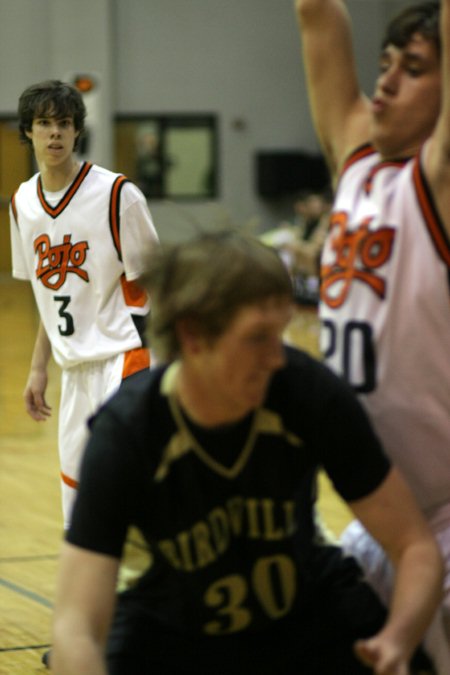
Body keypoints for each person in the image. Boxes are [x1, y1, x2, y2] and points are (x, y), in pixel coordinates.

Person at [50, 230, 443, 674]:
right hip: (174, 634)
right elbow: (74, 624)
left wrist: (398, 639)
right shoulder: (128, 432)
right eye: (258, 337)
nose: (277, 357)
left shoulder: (305, 390)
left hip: (308, 617)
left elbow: (414, 546)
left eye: (281, 333)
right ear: (193, 336)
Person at [295, 0, 450, 662]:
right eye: (384, 64)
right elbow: (316, 12)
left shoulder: (439, 179)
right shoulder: (357, 160)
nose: (383, 81)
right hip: (380, 522)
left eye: (412, 69)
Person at [9, 80, 159, 529]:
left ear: (77, 132)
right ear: (28, 132)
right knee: (77, 497)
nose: (54, 133)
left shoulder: (117, 195)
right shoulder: (23, 204)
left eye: (64, 123)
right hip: (74, 368)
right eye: (44, 123)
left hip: (124, 356)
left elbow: (159, 283)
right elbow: (46, 295)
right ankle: (98, 591)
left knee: (126, 480)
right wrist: (39, 368)